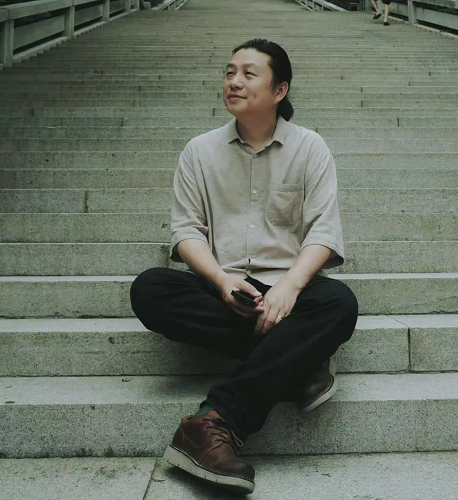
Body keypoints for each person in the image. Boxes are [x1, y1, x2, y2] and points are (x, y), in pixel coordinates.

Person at [130, 39, 358, 494]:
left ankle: (216, 421)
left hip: (291, 290)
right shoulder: (199, 151)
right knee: (150, 289)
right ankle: (298, 362)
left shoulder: (310, 147)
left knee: (339, 303)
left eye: (249, 74)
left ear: (279, 90)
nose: (233, 81)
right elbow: (186, 231)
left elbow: (323, 231)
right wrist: (219, 279)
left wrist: (290, 285)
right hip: (227, 288)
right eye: (229, 72)